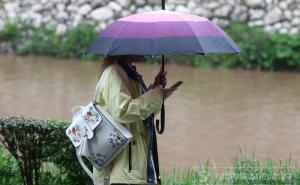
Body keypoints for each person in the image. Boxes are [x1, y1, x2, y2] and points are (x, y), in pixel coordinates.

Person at [93, 55, 178, 185]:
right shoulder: (114, 73)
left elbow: (139, 116)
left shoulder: (130, 75)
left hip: (134, 168)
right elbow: (123, 111)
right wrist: (156, 95)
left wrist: (156, 89)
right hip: (122, 172)